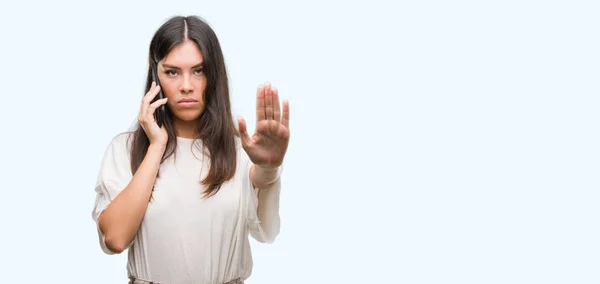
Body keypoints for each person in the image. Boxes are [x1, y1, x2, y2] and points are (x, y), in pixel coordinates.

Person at [91, 15, 290, 284]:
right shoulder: (124, 150)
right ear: (155, 76)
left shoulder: (240, 151)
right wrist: (156, 146)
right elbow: (114, 238)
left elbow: (267, 231)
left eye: (199, 70)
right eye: (172, 72)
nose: (186, 85)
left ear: (214, 75)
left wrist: (269, 167)